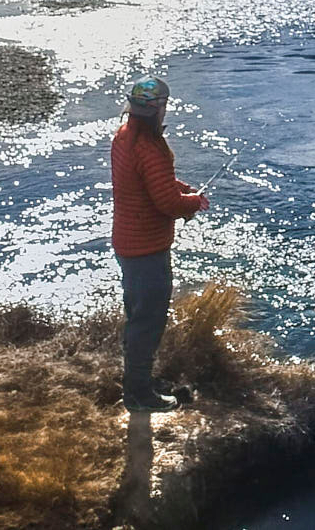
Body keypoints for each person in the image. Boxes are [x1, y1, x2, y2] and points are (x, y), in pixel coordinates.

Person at [111, 75, 208, 412]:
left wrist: (176, 185)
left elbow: (149, 182)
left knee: (136, 316)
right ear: (158, 109)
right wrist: (193, 201)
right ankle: (139, 396)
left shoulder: (123, 137)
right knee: (147, 323)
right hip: (146, 249)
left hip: (126, 243)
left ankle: (135, 381)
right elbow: (166, 204)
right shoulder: (151, 148)